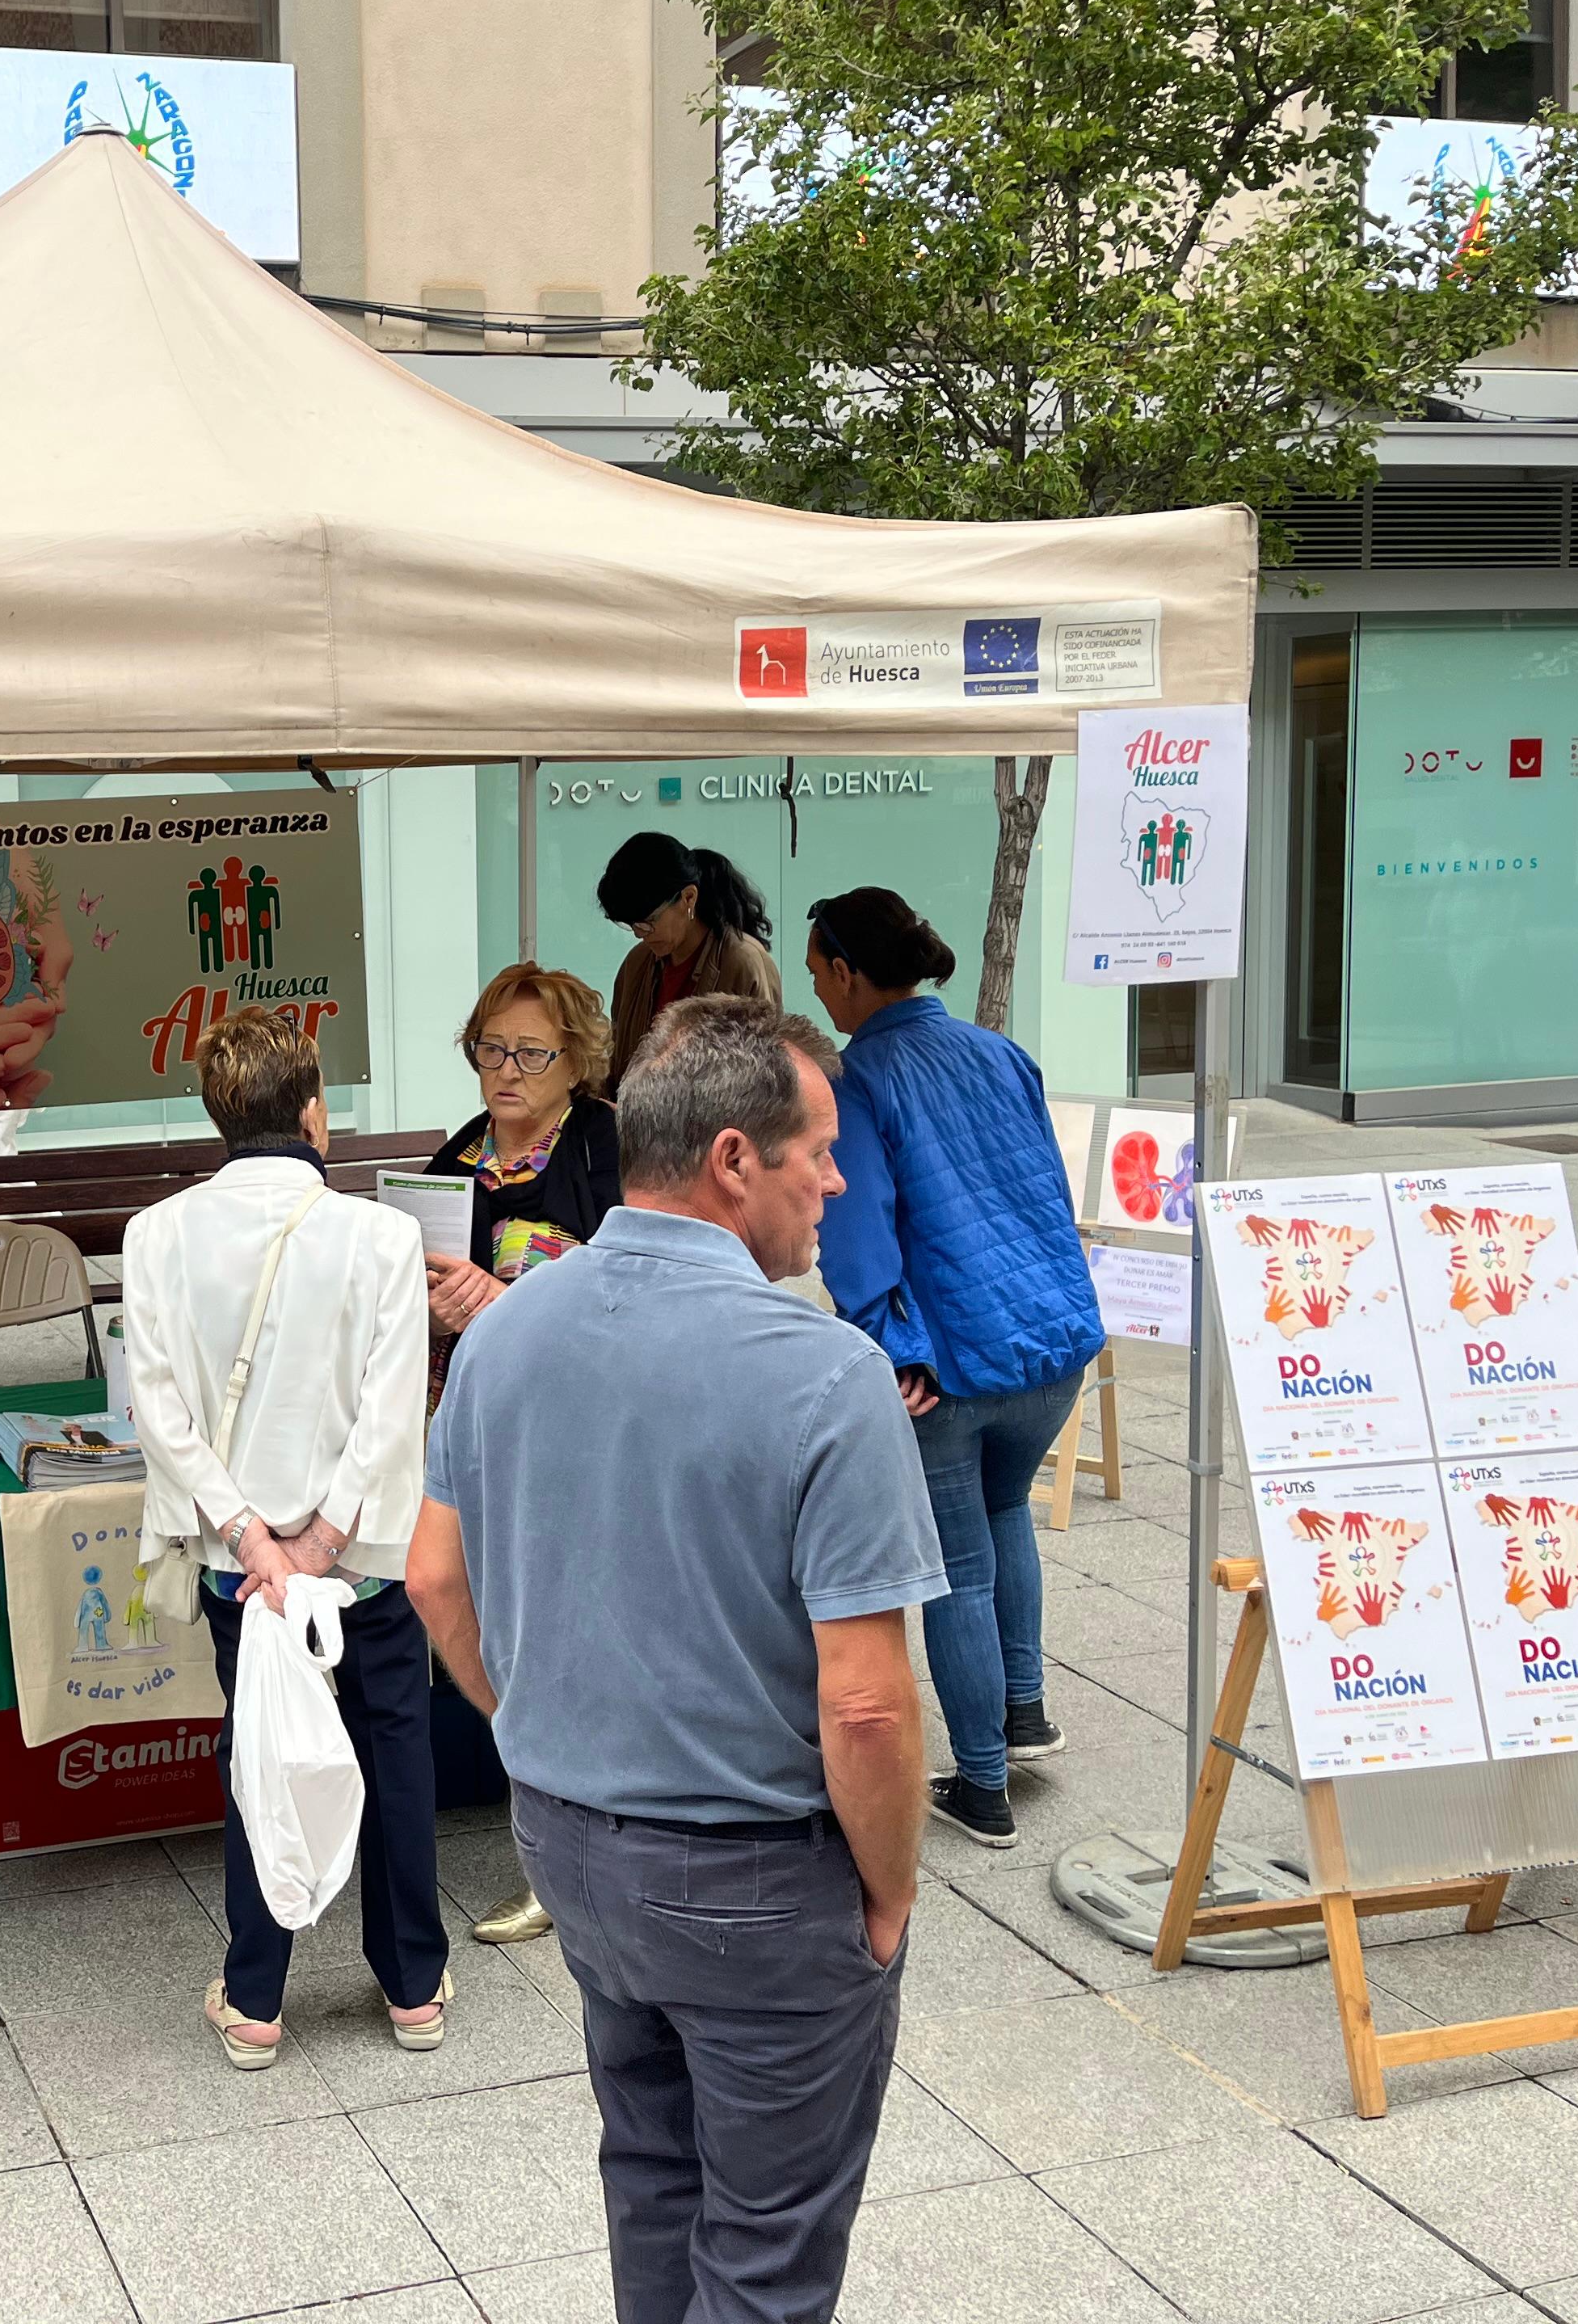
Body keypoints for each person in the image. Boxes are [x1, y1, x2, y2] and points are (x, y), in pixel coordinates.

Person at [410, 995, 941, 2324]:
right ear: (730, 1157)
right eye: (816, 1145)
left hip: (574, 1846)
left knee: (651, 2182)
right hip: (762, 1876)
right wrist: (886, 1892)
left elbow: (430, 1574)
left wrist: (528, 1721)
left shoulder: (505, 1331)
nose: (835, 1175)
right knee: (764, 2253)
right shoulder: (829, 1376)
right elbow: (869, 1703)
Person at [125, 1007, 444, 2069]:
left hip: (239, 1568)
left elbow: (158, 1409)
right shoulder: (384, 1234)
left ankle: (256, 2001)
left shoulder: (159, 1233)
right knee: (395, 1747)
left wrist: (251, 1539)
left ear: (217, 1114)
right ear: (314, 1111)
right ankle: (413, 1990)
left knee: (256, 1747)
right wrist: (324, 1542)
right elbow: (393, 1403)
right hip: (364, 1568)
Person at [805, 886, 1105, 1853]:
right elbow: (1046, 1199)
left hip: (947, 1367)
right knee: (1008, 1510)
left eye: (820, 977)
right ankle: (1025, 1710)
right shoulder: (1001, 1052)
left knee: (957, 1568)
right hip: (1050, 1348)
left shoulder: (859, 1083)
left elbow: (855, 1240)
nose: (822, 996)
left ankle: (982, 1787)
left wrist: (892, 1350)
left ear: (849, 973)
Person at [417, 962, 620, 1946]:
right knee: (497, 1632)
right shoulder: (448, 1163)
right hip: (476, 1429)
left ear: (578, 1058)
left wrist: (503, 1302)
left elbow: (638, 1290)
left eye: (530, 1053)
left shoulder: (609, 1149)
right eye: (490, 1048)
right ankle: (546, 1837)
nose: (504, 1070)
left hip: (588, 1431)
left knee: (569, 1642)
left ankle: (572, 1864)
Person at [595, 834, 785, 1088]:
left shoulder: (742, 962)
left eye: (649, 922)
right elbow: (619, 1060)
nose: (640, 934)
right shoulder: (637, 962)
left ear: (688, 898)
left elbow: (763, 1074)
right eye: (632, 925)